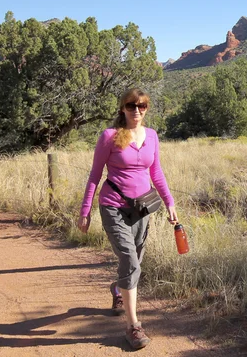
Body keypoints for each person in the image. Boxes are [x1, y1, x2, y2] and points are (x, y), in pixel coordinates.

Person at [77, 88, 178, 350]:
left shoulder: (152, 136)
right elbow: (94, 175)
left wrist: (170, 203)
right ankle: (133, 327)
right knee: (130, 259)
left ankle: (117, 289)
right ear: (122, 108)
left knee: (134, 262)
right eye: (131, 106)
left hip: (141, 208)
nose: (137, 110)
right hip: (113, 206)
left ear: (147, 109)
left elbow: (156, 172)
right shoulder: (109, 136)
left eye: (142, 106)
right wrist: (85, 211)